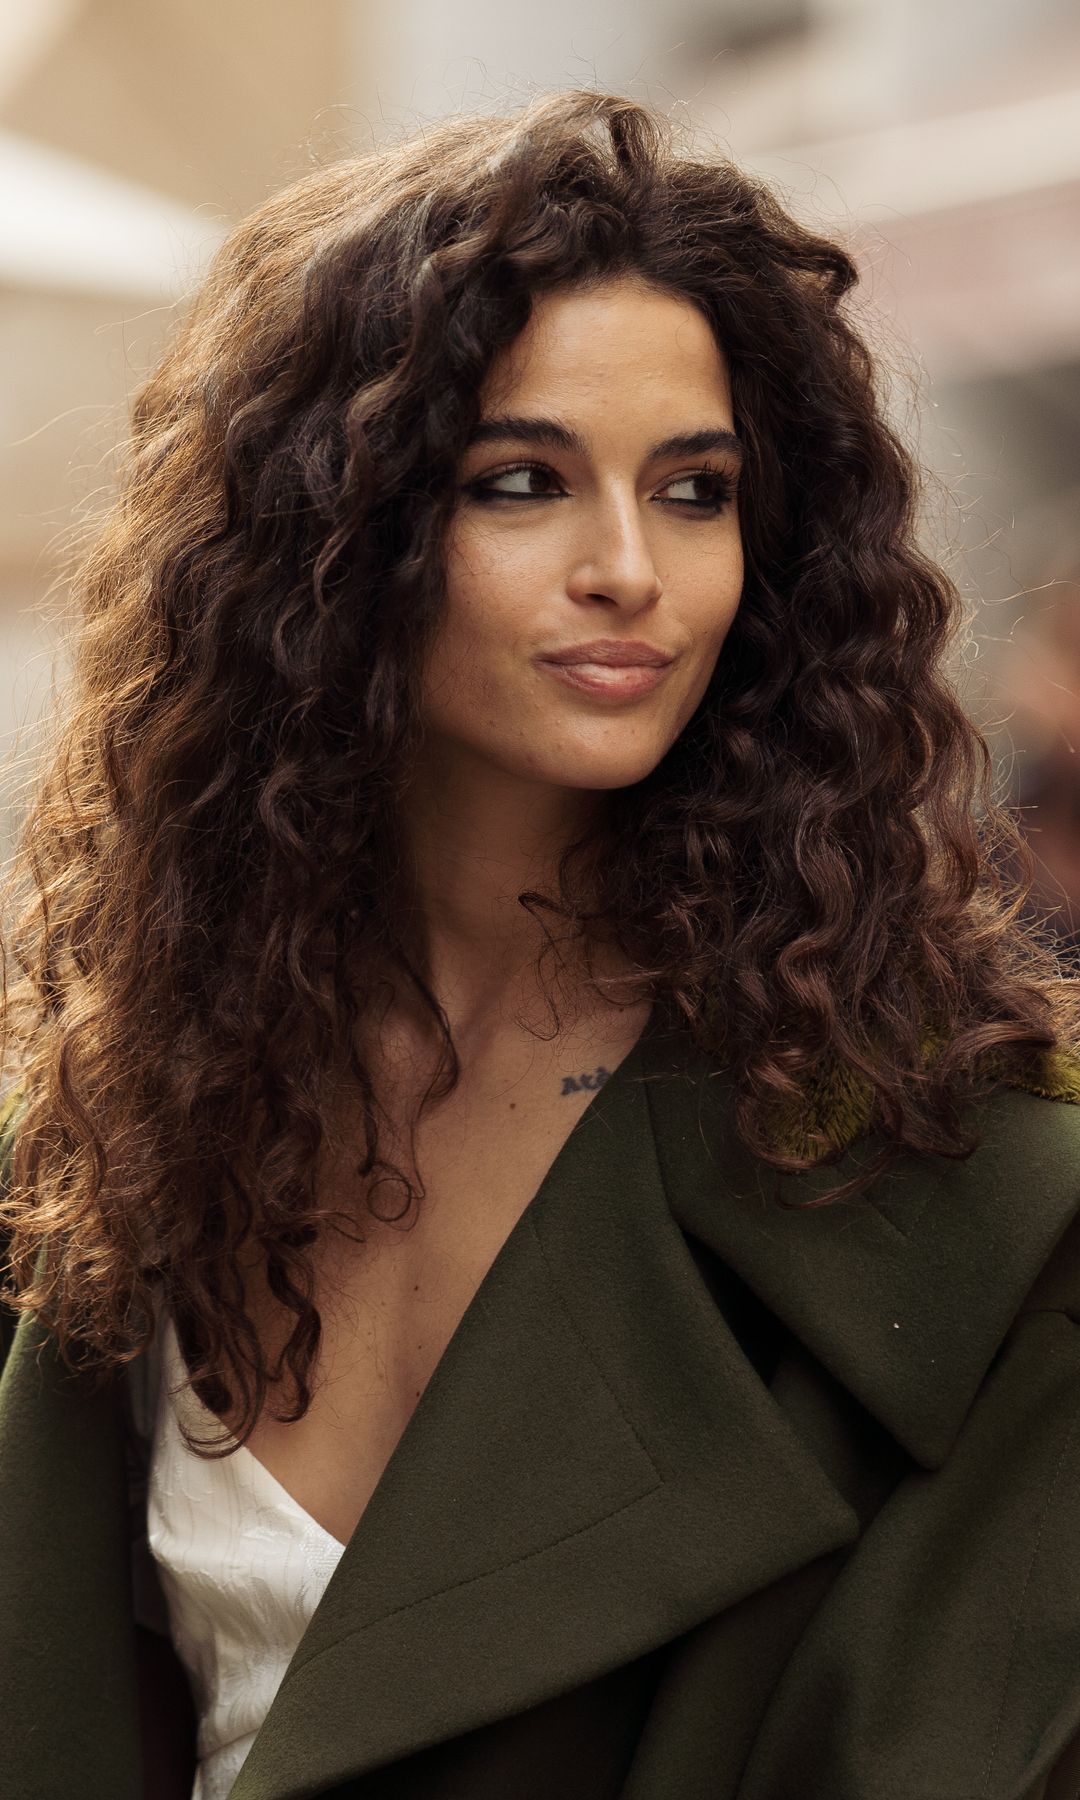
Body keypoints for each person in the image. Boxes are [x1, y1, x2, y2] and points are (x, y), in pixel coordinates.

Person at [1, 86, 1080, 1800]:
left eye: (697, 488)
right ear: (325, 545)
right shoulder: (140, 1098)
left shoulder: (968, 1182)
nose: (631, 569)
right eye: (523, 483)